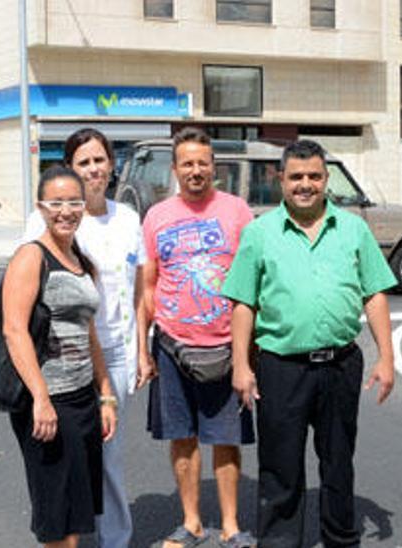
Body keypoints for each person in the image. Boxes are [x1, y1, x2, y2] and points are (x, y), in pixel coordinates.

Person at [223, 139, 397, 547]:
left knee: (338, 464)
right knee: (280, 467)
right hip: (282, 368)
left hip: (340, 366)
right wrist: (241, 366)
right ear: (280, 179)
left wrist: (386, 357)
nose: (306, 184)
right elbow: (243, 302)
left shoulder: (353, 228)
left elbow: (374, 294)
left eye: (314, 176)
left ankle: (340, 539)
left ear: (326, 179)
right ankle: (281, 542)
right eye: (296, 176)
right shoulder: (259, 233)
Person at [137, 127, 256, 548]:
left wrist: (248, 351)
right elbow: (147, 285)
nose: (195, 170)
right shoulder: (157, 216)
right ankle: (191, 523)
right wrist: (142, 349)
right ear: (175, 169)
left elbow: (251, 281)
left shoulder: (237, 211)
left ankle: (230, 525)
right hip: (171, 344)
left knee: (225, 438)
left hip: (225, 344)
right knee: (182, 437)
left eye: (202, 163)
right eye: (187, 163)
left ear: (213, 167)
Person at [24, 129, 143, 548]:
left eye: (99, 160)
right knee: (70, 458)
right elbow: (20, 314)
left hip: (116, 353)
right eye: (83, 162)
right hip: (63, 361)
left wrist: (141, 351)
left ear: (111, 164)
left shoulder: (128, 218)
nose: (93, 169)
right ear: (70, 169)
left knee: (108, 454)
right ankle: (73, 534)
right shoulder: (52, 224)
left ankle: (115, 539)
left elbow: (139, 289)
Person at [3, 165, 119, 548]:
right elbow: (14, 329)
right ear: (41, 207)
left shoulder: (81, 261)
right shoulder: (31, 256)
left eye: (74, 202)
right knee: (57, 516)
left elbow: (90, 334)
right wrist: (40, 398)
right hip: (49, 402)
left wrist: (104, 394)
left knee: (75, 513)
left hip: (82, 397)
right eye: (57, 203)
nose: (66, 211)